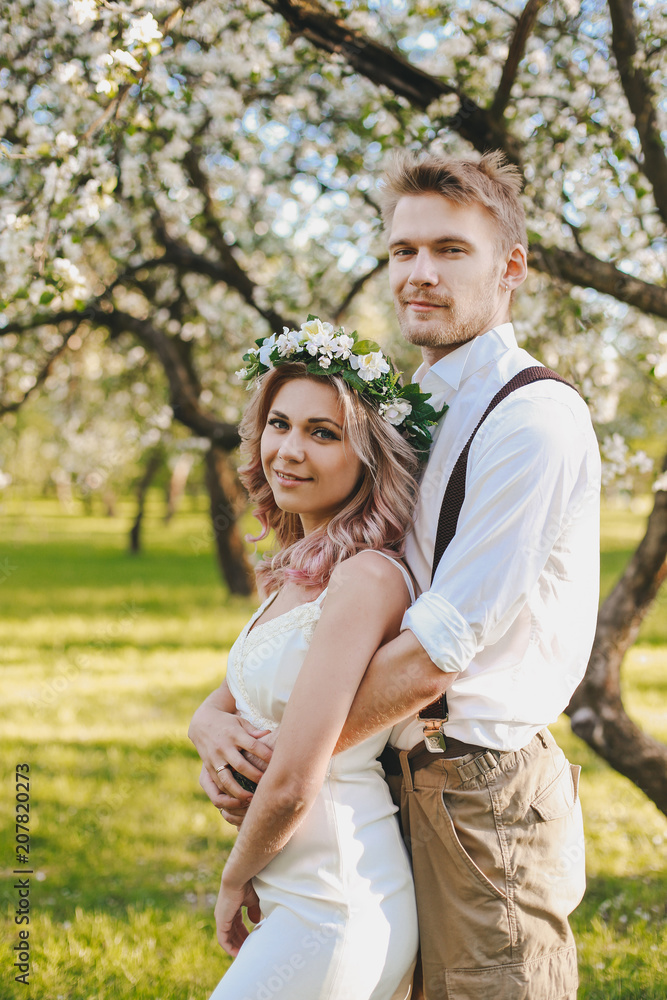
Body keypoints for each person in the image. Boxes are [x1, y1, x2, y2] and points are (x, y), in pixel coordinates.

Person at [191, 150, 601, 1000]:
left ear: (510, 268)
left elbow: (436, 651)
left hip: (479, 784)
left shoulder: (531, 420)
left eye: (450, 250)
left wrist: (283, 769)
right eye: (402, 251)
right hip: (389, 775)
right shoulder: (414, 411)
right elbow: (332, 598)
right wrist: (214, 721)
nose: (419, 274)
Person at [192, 322, 445, 1000]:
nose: (289, 451)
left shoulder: (365, 579)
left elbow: (296, 779)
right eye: (279, 424)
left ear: (369, 458)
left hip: (334, 904)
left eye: (322, 433)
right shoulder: (293, 576)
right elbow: (233, 697)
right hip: (300, 896)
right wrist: (202, 728)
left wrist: (233, 876)